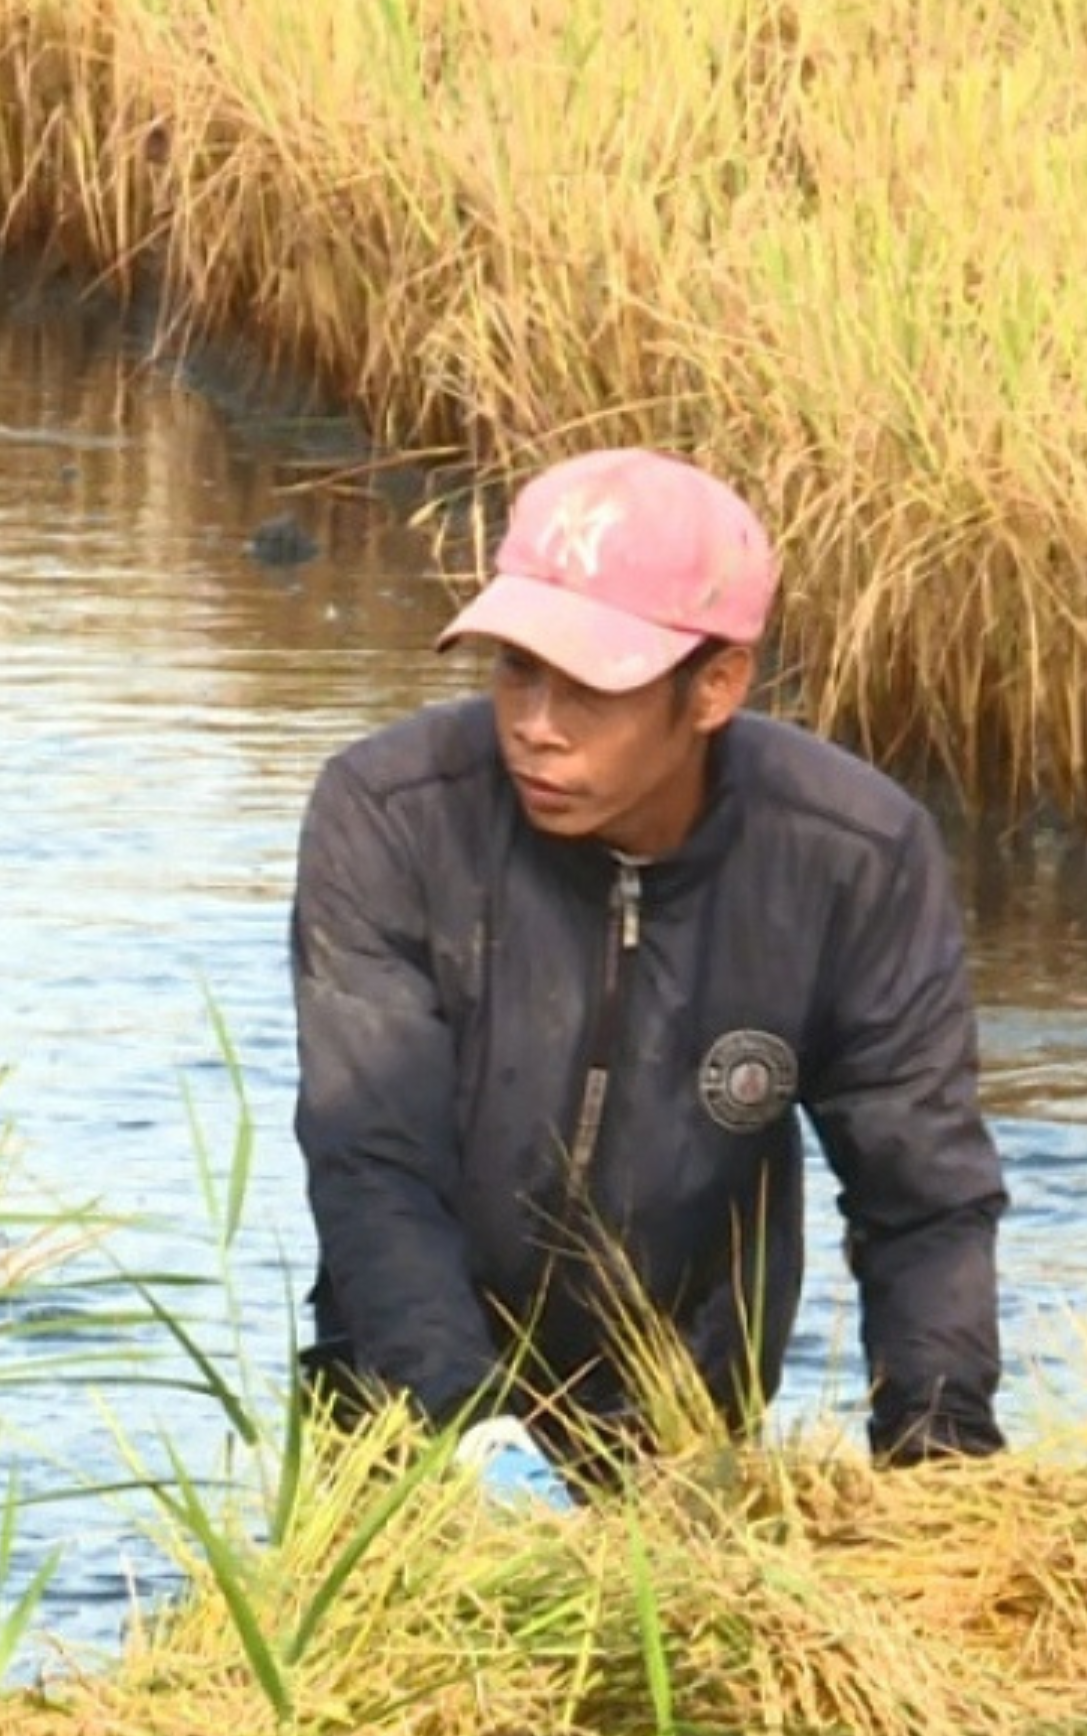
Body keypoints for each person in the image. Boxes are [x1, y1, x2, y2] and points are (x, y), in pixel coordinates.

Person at [288, 446, 1007, 1501]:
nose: (535, 723)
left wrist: (938, 1472)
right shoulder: (388, 815)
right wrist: (461, 1433)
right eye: (513, 667)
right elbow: (370, 1161)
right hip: (403, 1424)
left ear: (714, 684)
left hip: (681, 1447)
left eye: (587, 686)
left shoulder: (850, 857)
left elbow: (921, 1195)